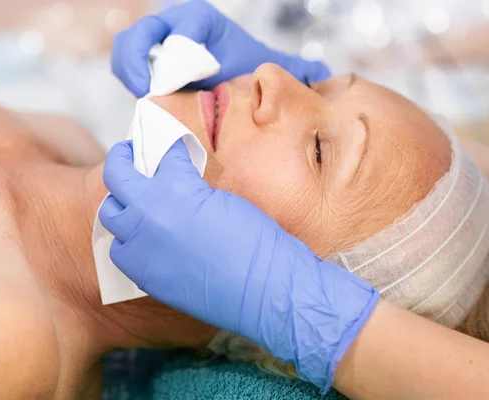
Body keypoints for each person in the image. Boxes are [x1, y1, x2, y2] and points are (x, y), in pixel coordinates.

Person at [102, 0, 489, 398]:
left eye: (320, 150)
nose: (273, 75)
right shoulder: (59, 136)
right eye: (314, 84)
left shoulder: (40, 352)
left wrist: (304, 311)